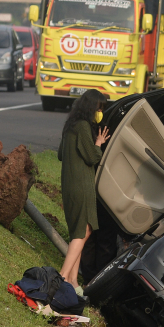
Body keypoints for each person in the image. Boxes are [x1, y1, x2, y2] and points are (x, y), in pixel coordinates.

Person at [57, 90, 110, 291]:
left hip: (69, 184)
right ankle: (62, 278)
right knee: (84, 231)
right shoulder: (83, 126)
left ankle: (73, 281)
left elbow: (61, 154)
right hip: (82, 185)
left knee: (78, 231)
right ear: (91, 107)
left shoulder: (70, 125)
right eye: (99, 108)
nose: (100, 113)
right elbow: (92, 157)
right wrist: (98, 143)